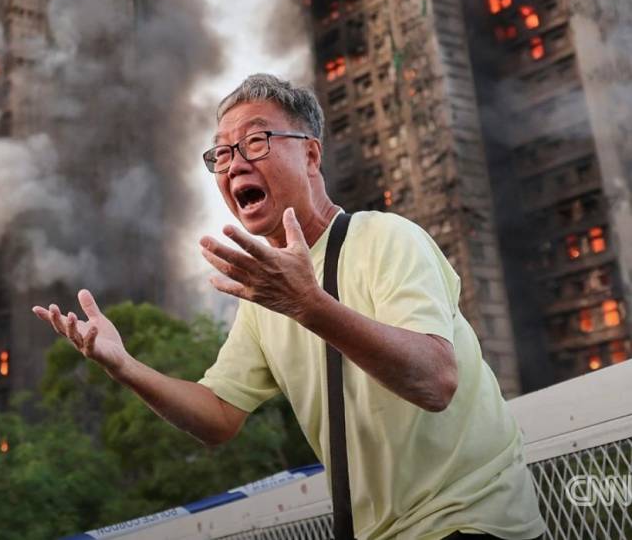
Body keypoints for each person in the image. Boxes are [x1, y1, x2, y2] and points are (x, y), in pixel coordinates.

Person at [33, 73, 545, 540]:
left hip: (471, 521)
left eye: (256, 141)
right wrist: (124, 366)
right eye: (222, 153)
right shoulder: (266, 298)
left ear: (312, 155)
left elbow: (435, 381)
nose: (235, 163)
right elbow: (218, 416)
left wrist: (307, 304)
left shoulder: (386, 238)